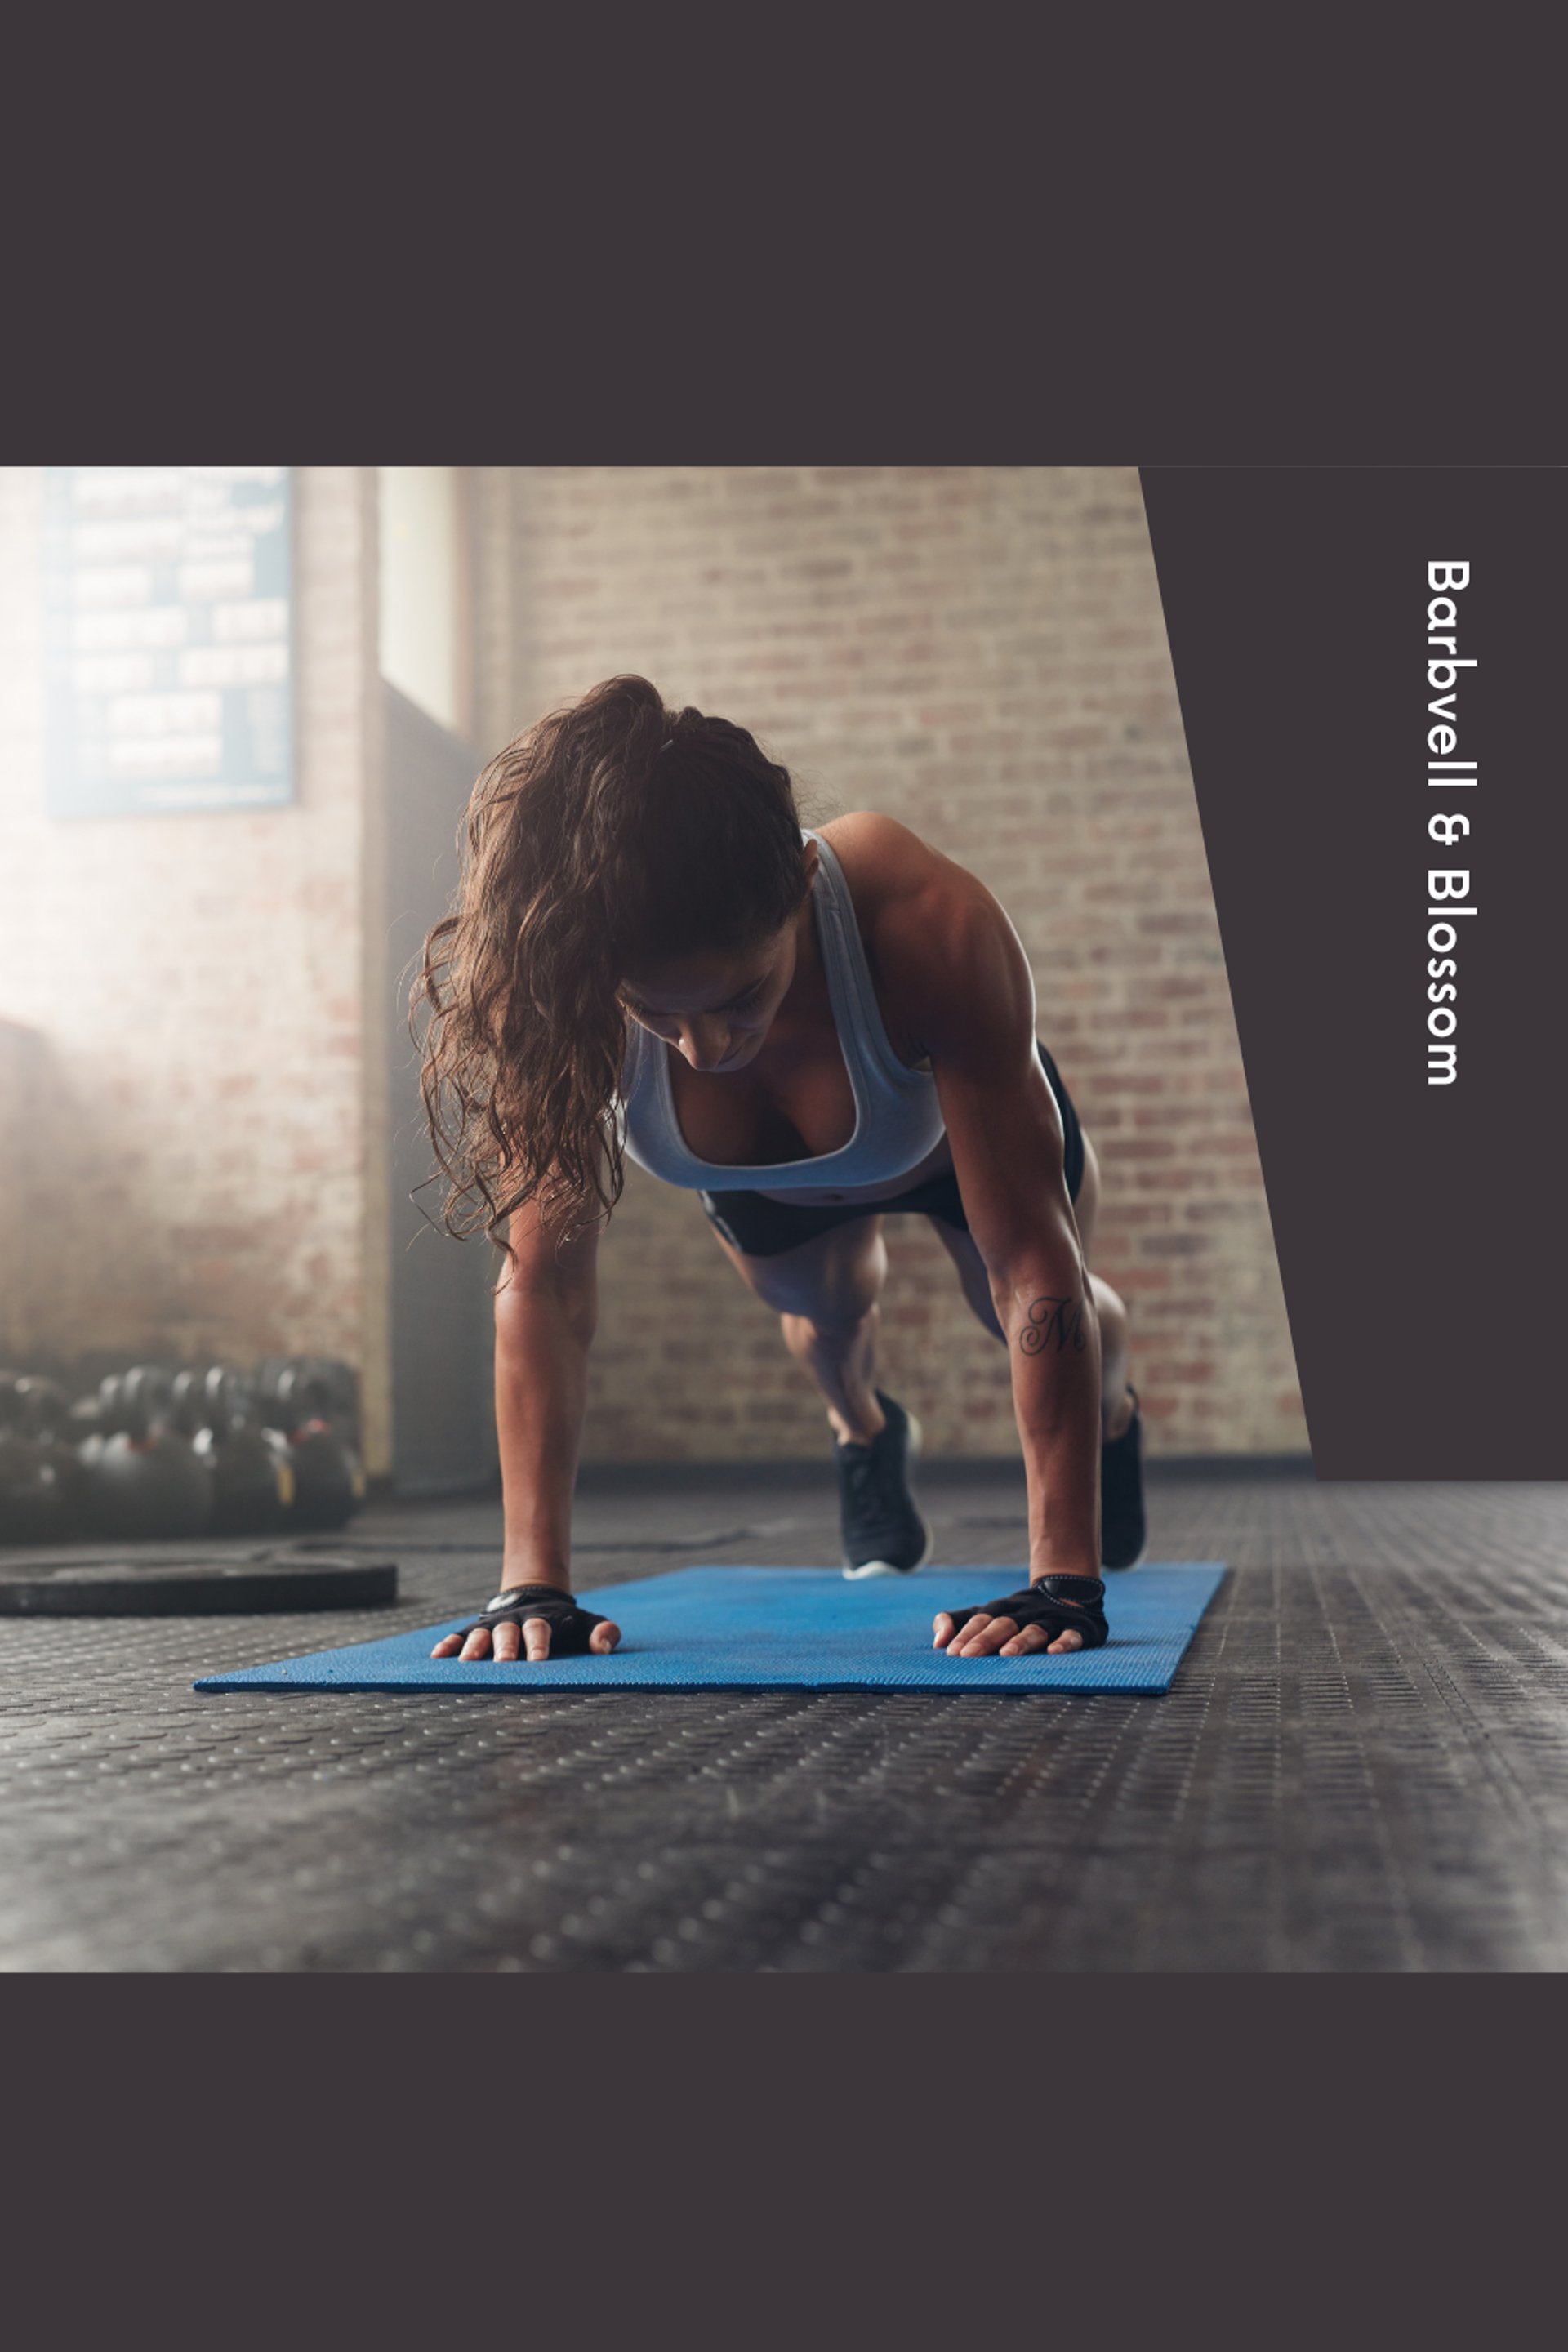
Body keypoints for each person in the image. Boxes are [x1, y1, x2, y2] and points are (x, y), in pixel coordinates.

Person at [415, 675, 1144, 1668]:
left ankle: (1116, 1410)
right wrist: (531, 1584)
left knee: (1035, 1313)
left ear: (803, 881)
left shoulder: (929, 923)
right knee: (829, 1316)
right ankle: (866, 1435)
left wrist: (1064, 1580)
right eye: (656, 1015)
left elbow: (1028, 1264)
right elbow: (543, 1283)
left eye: (741, 994)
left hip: (948, 1142)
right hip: (770, 1184)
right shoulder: (563, 990)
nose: (705, 1049)